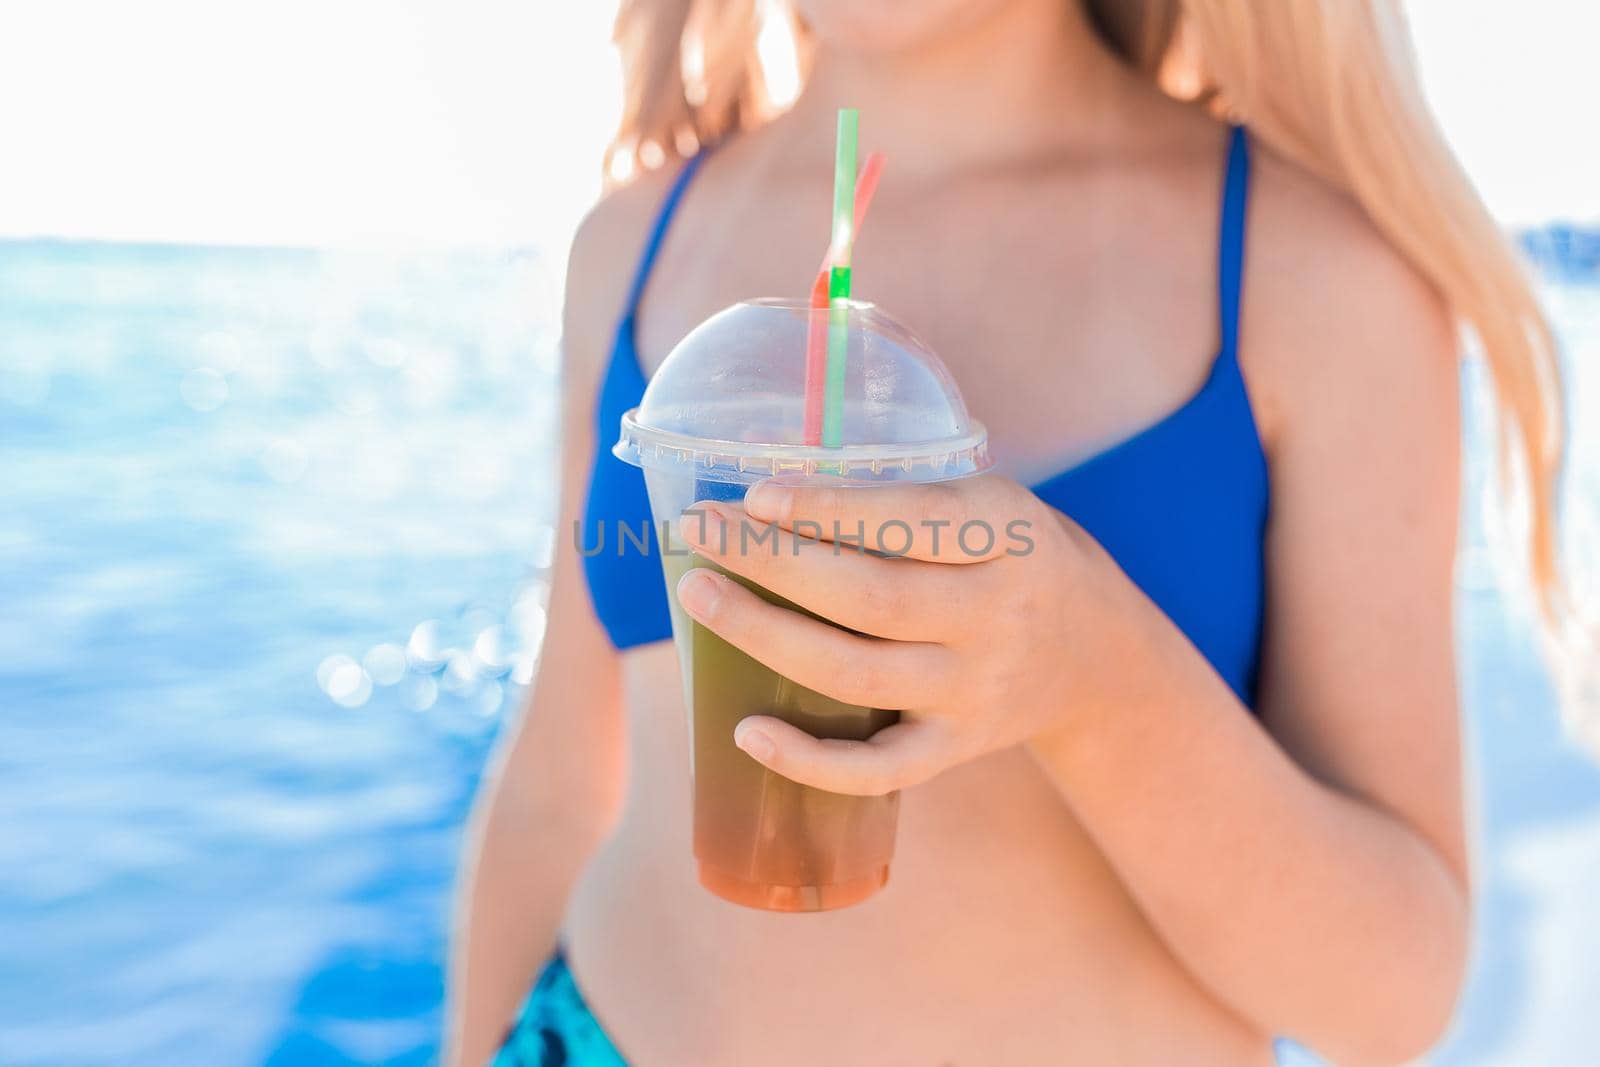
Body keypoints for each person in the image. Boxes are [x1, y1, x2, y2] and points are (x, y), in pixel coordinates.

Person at [447, 1, 1565, 1064]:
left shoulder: (1314, 276)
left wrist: (1096, 673)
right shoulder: (637, 240)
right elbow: (555, 786)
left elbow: (1391, 998)